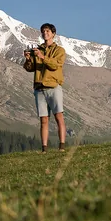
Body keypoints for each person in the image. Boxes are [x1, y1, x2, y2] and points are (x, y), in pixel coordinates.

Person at [21, 23, 68, 151]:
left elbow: (55, 65)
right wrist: (28, 59)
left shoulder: (59, 51)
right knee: (44, 120)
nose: (45, 33)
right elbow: (30, 69)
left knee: (59, 117)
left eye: (47, 31)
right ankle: (44, 148)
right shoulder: (38, 50)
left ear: (53, 34)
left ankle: (62, 146)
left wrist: (43, 57)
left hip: (53, 86)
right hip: (39, 88)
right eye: (43, 31)